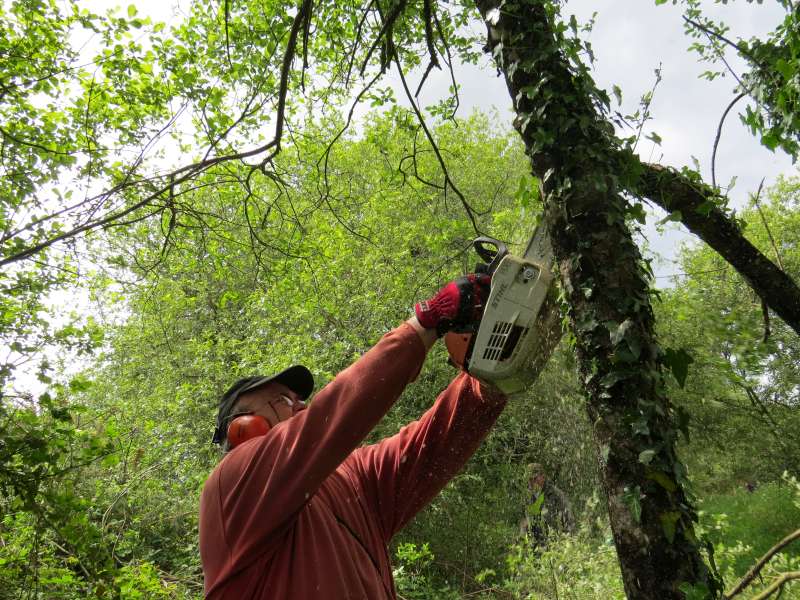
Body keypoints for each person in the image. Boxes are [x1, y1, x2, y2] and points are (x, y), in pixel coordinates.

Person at [199, 274, 508, 599]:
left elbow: (425, 449)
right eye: (282, 401)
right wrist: (425, 322)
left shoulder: (348, 479)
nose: (301, 406)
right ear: (243, 426)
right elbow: (329, 417)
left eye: (301, 400)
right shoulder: (233, 486)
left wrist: (487, 375)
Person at [518, 462, 575, 547]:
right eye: (529, 479)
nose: (531, 482)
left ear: (543, 477)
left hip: (555, 545)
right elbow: (523, 523)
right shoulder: (527, 498)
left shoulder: (556, 495)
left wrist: (567, 544)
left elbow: (569, 521)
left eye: (534, 479)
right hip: (535, 548)